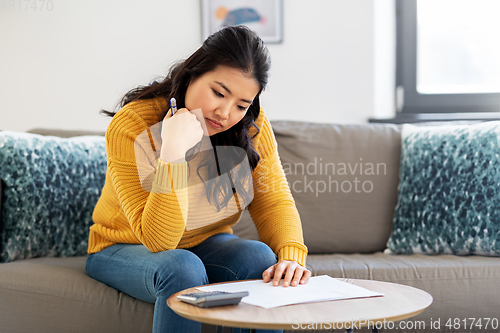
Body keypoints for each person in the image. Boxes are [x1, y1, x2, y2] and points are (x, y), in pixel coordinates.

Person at [85, 25, 310, 333]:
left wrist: (291, 255)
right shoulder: (133, 124)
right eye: (219, 92)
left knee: (260, 257)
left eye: (242, 105)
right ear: (192, 73)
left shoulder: (250, 125)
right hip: (122, 246)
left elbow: (273, 199)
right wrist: (174, 152)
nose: (225, 112)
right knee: (181, 266)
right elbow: (159, 240)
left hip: (205, 242)